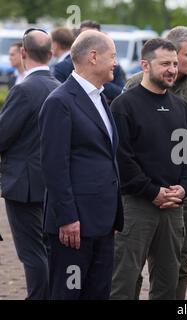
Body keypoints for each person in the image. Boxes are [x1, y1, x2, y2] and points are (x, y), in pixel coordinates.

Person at [124, 26, 187, 300]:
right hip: (141, 196)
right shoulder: (130, 94)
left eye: (176, 63)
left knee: (176, 267)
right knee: (129, 270)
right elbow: (124, 153)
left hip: (182, 197)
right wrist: (152, 191)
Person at [110, 38, 187, 300]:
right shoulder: (124, 105)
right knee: (123, 280)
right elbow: (121, 158)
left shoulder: (180, 106)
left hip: (173, 207)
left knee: (168, 283)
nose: (172, 69)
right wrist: (152, 191)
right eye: (165, 64)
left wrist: (184, 188)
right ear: (145, 65)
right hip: (136, 206)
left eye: (174, 63)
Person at [39, 30, 124, 300]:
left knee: (97, 293)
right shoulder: (60, 102)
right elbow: (54, 166)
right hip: (74, 228)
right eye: (113, 56)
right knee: (68, 293)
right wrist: (67, 218)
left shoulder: (100, 98)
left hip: (102, 222)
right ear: (93, 56)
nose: (116, 63)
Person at [0, 28, 59, 300]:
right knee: (46, 248)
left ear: (23, 53)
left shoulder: (24, 90)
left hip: (23, 185)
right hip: (51, 183)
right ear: (51, 53)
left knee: (31, 252)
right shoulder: (59, 87)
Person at [52, 20, 125, 103]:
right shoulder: (63, 68)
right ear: (77, 40)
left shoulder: (112, 66)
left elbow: (122, 94)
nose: (91, 42)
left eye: (95, 37)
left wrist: (98, 81)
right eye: (87, 38)